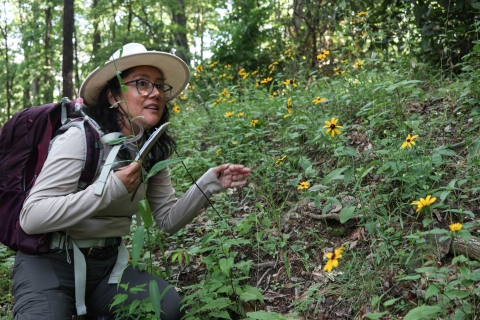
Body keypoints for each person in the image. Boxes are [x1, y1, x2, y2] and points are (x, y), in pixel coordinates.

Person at [13, 43, 251, 320]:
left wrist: (209, 184)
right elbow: (31, 218)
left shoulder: (150, 150)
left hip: (109, 267)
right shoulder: (80, 139)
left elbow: (167, 220)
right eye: (142, 84)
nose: (156, 93)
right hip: (49, 261)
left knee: (168, 308)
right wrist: (109, 189)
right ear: (113, 95)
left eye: (160, 86)